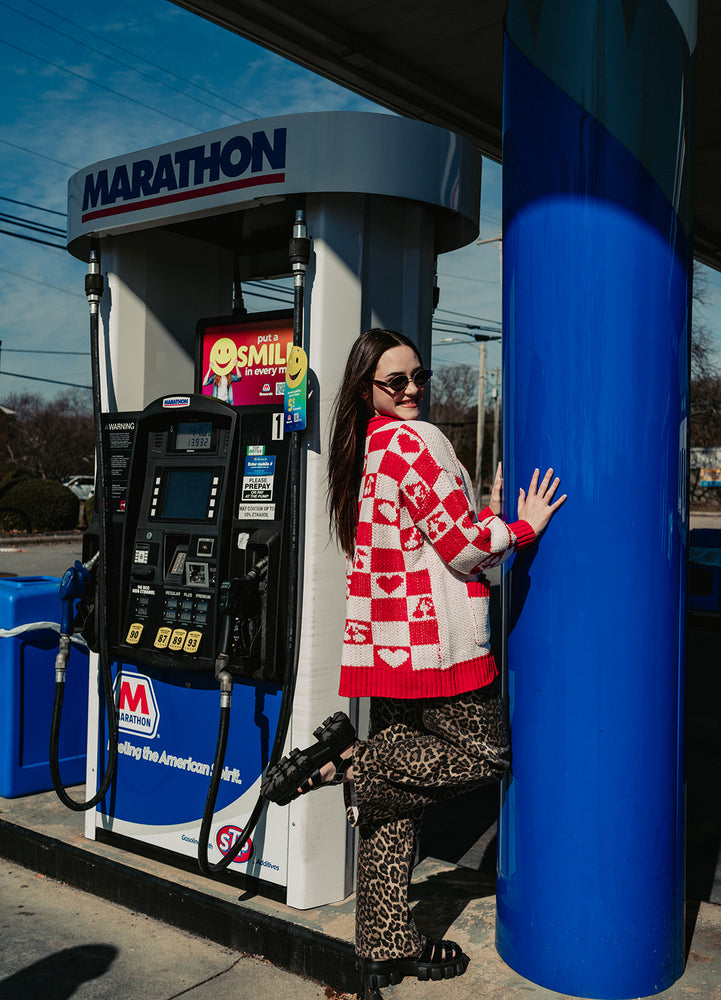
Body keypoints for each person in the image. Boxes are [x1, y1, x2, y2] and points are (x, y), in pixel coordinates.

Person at [262, 328, 566, 989]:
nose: (412, 391)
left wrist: (481, 507)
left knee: (391, 803)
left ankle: (385, 942)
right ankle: (349, 759)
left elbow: (422, 540)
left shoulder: (366, 450)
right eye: (394, 382)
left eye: (417, 377)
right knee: (487, 756)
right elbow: (463, 550)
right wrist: (522, 526)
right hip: (438, 648)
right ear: (367, 390)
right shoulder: (414, 440)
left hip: (392, 647)